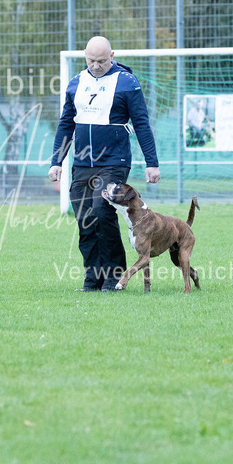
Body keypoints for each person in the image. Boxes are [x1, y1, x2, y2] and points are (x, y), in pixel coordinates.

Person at [49, 36, 160, 292]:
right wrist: (57, 161)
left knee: (101, 212)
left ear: (112, 55)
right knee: (85, 220)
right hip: (81, 164)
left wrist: (151, 162)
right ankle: (92, 280)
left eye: (101, 60)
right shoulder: (76, 82)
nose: (96, 65)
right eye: (91, 60)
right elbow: (66, 124)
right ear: (84, 57)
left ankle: (114, 278)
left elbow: (142, 123)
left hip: (113, 162)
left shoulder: (127, 82)